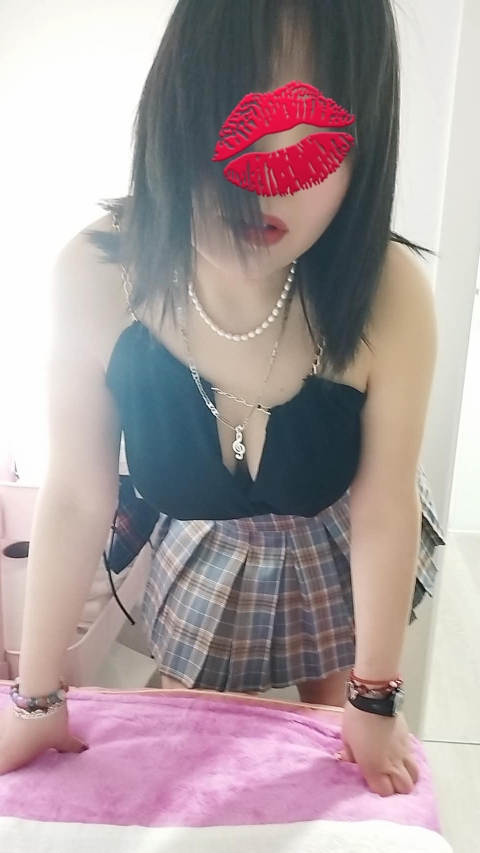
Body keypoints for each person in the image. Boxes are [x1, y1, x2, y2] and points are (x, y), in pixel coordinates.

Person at [0, 0, 445, 797]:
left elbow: (383, 508)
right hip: (204, 547)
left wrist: (374, 699)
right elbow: (73, 497)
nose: (260, 179)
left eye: (309, 132)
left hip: (337, 534)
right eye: (229, 118)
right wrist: (36, 698)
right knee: (188, 730)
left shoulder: (391, 295)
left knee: (333, 733)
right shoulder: (96, 279)